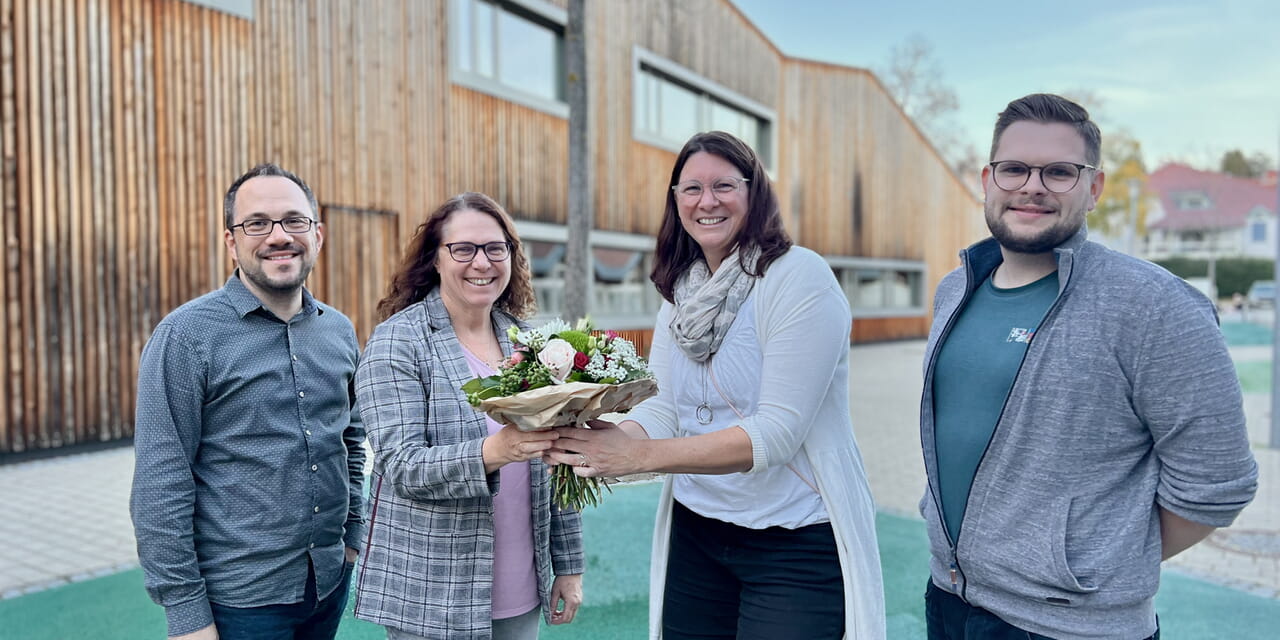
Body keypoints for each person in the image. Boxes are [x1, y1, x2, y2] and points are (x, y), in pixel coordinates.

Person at [919, 94, 1259, 639]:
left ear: (1093, 188)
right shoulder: (955, 288)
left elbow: (1217, 485)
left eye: (1059, 172)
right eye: (1014, 169)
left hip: (1070, 628)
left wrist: (1086, 562)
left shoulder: (1156, 306)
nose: (1032, 185)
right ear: (988, 179)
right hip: (949, 596)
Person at [548, 131, 885, 639]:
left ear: (755, 194)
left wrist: (637, 458)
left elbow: (775, 434)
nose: (707, 201)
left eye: (724, 185)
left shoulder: (798, 279)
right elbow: (662, 410)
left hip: (792, 538)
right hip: (699, 531)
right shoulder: (679, 291)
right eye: (691, 189)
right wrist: (603, 444)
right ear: (676, 201)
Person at [130, 163, 365, 640]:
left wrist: (352, 536)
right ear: (231, 241)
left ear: (317, 234)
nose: (279, 236)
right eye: (257, 223)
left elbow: (350, 441)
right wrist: (186, 614)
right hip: (239, 598)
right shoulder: (185, 336)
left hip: (327, 582)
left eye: (294, 221)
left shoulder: (339, 330)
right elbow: (161, 480)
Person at [352, 192, 585, 640]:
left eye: (496, 249)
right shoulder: (397, 342)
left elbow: (563, 463)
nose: (482, 263)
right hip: (433, 592)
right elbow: (401, 465)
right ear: (435, 259)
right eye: (464, 249)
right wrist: (492, 452)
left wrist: (569, 564)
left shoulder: (529, 344)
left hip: (521, 585)